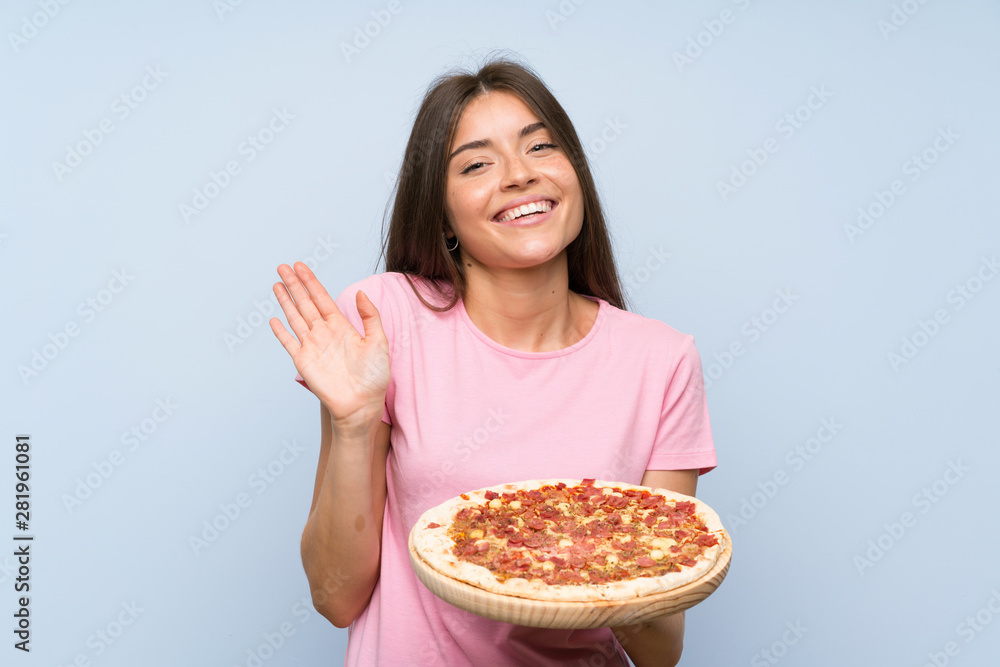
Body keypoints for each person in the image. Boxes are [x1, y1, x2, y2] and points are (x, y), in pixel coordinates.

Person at [269, 56, 717, 667]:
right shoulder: (384, 319)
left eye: (540, 148)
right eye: (477, 164)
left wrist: (591, 548)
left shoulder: (661, 359)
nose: (518, 176)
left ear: (575, 176)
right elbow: (335, 596)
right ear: (442, 213)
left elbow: (661, 649)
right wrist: (353, 422)